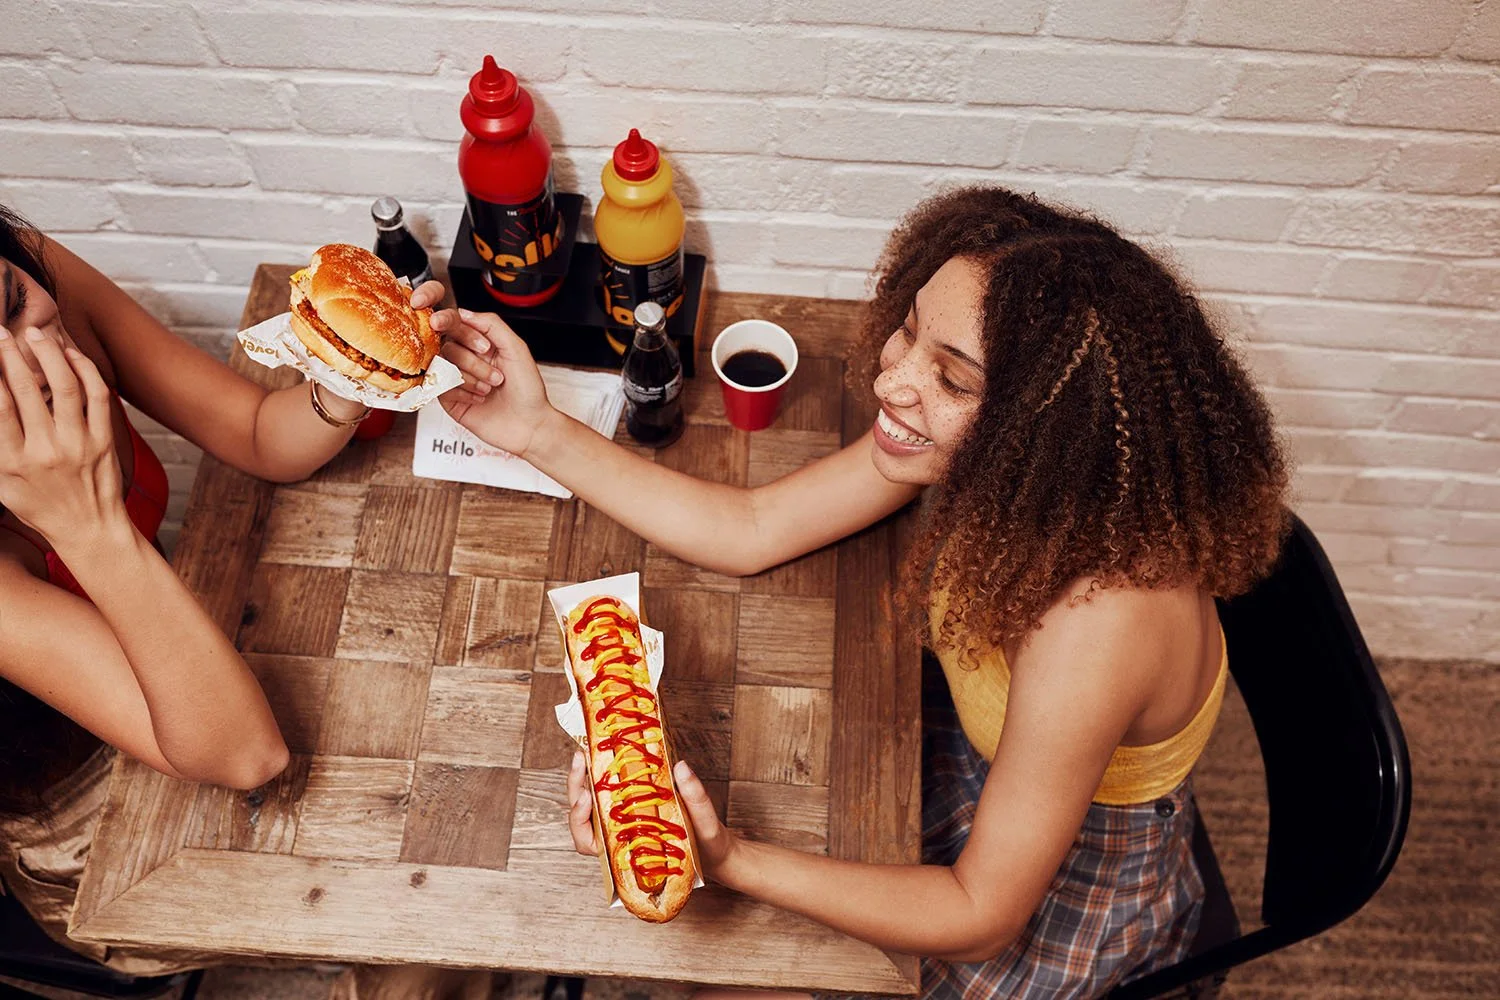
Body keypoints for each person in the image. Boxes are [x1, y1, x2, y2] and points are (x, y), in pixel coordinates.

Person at [434, 186, 1289, 999]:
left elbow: (980, 915)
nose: (893, 381)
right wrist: (538, 429)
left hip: (1055, 882)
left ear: (1046, 425)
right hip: (978, 751)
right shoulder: (1006, 465)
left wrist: (730, 860)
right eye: (909, 332)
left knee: (728, 975)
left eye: (952, 379)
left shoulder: (1099, 623)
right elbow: (753, 528)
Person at [0, 205, 488, 999]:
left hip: (181, 649)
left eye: (12, 303)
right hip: (88, 815)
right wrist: (85, 525)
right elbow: (245, 756)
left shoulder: (37, 279)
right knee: (422, 924)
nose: (36, 355)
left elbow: (259, 432)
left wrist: (352, 376)